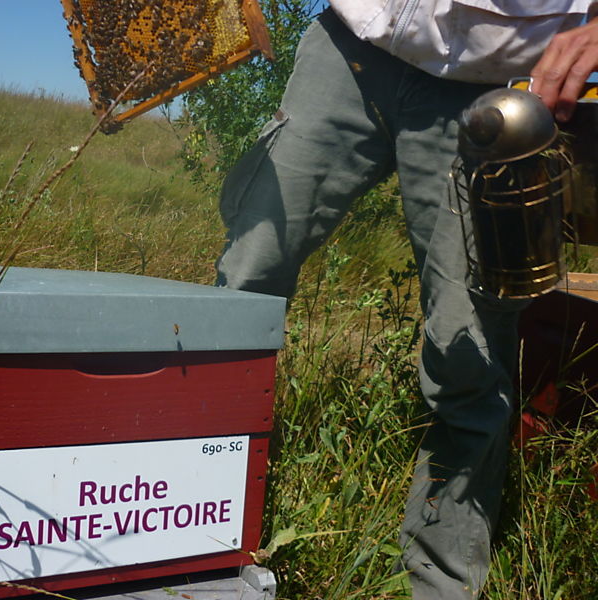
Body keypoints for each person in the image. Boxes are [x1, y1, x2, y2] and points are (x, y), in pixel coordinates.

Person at [214, 2, 598, 598]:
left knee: (468, 346)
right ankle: (191, 519)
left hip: (497, 88)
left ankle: (440, 582)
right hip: (350, 47)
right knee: (244, 282)